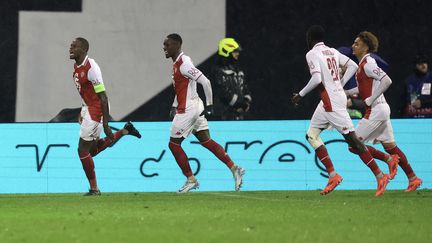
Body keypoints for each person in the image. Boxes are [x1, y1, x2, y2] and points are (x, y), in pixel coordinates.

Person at [291, 25, 391, 197]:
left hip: (331, 102)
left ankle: (380, 175)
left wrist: (300, 95)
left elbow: (316, 78)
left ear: (310, 39)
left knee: (353, 140)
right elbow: (352, 65)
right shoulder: (331, 51)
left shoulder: (312, 54)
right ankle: (333, 175)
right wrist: (340, 84)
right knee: (311, 135)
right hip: (330, 100)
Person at [163, 33, 245, 193]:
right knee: (206, 140)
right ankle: (235, 169)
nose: (164, 48)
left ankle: (191, 179)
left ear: (177, 45)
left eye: (167, 45)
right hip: (193, 106)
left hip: (188, 109)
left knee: (173, 144)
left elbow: (205, 81)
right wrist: (174, 104)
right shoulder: (179, 63)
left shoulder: (184, 64)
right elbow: (183, 87)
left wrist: (210, 105)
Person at [346, 31, 422, 192]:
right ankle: (413, 178)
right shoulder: (362, 65)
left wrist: (372, 99)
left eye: (357, 43)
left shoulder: (369, 63)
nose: (353, 46)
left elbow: (387, 80)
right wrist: (342, 93)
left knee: (354, 145)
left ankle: (387, 161)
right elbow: (361, 88)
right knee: (391, 146)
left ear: (366, 47)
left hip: (376, 109)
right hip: (380, 108)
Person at [69, 37, 142, 196]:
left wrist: (106, 124)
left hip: (97, 110)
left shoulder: (91, 68)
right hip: (90, 108)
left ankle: (94, 189)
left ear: (83, 49)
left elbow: (103, 97)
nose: (70, 48)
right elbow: (87, 93)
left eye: (74, 46)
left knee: (82, 150)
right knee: (91, 152)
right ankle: (125, 131)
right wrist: (82, 110)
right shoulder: (77, 67)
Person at [211, 38, 252, 120]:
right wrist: (239, 104)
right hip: (222, 116)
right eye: (235, 52)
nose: (238, 54)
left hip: (238, 115)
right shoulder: (217, 71)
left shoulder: (238, 70)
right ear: (226, 52)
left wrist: (246, 101)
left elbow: (245, 87)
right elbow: (222, 92)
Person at [404, 53, 432, 117]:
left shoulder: (430, 78)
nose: (423, 65)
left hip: (429, 116)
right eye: (420, 63)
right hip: (412, 116)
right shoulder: (409, 80)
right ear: (415, 65)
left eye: (425, 62)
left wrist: (423, 103)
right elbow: (405, 99)